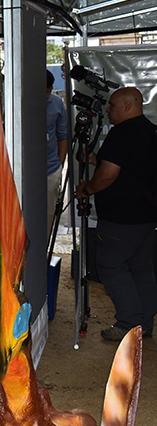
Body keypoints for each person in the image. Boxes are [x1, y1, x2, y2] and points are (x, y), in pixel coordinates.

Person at [75, 87, 157, 342]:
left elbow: (109, 175)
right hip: (146, 216)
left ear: (127, 106)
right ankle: (144, 324)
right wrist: (95, 160)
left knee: (110, 266)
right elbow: (131, 166)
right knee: (141, 268)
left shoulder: (122, 133)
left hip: (122, 217)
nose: (108, 110)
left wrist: (86, 189)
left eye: (112, 105)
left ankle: (129, 323)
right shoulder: (151, 131)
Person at [46, 70, 68, 233]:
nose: (48, 95)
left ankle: (43, 248)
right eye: (45, 92)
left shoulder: (57, 103)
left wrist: (59, 166)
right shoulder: (18, 102)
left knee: (48, 216)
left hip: (51, 169)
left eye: (50, 91)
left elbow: (63, 137)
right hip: (24, 171)